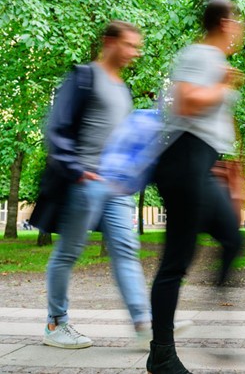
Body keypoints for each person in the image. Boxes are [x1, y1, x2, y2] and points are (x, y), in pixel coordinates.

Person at [146, 0, 245, 374]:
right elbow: (186, 104)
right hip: (184, 162)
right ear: (224, 23)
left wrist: (230, 169)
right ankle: (162, 353)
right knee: (176, 262)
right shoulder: (198, 55)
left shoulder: (218, 62)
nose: (239, 28)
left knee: (233, 239)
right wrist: (222, 87)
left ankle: (220, 327)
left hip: (204, 164)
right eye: (236, 21)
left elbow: (214, 125)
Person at [41, 21, 151, 349]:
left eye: (137, 46)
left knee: (126, 252)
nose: (135, 52)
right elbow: (57, 128)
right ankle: (55, 323)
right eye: (129, 45)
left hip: (116, 187)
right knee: (67, 253)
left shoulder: (123, 89)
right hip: (84, 182)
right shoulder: (84, 77)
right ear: (109, 42)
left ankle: (144, 324)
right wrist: (76, 170)